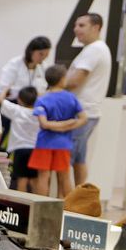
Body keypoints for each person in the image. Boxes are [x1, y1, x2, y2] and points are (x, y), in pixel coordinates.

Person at [64, 12, 113, 186]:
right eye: (76, 25)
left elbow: (75, 81)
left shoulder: (94, 50)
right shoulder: (96, 49)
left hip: (82, 112)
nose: (76, 29)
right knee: (79, 158)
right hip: (87, 111)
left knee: (66, 162)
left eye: (82, 25)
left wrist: (53, 86)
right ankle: (79, 200)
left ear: (96, 27)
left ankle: (67, 204)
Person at [31, 65, 88, 198]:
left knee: (43, 176)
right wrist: (67, 125)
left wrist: (56, 125)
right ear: (63, 79)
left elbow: (44, 124)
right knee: (64, 177)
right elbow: (83, 119)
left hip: (44, 143)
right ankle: (68, 209)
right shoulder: (71, 98)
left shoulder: (42, 99)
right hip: (63, 143)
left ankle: (41, 207)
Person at [0, 86, 40, 191]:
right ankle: (37, 204)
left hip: (20, 149)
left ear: (19, 99)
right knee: (34, 179)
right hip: (35, 149)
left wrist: (6, 88)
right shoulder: (39, 113)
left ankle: (23, 204)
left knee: (22, 179)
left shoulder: (17, 110)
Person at [0, 35, 51, 100]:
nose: (43, 58)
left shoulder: (44, 67)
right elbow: (4, 88)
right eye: (41, 54)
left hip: (36, 103)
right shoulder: (14, 64)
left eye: (46, 55)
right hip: (15, 103)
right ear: (31, 51)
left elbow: (46, 88)